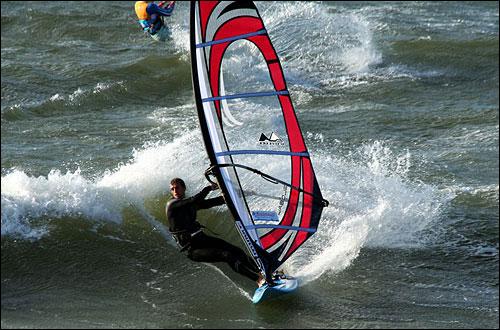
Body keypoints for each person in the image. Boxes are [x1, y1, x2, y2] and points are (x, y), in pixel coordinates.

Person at [166, 177, 266, 287]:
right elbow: (194, 199)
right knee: (226, 255)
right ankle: (258, 280)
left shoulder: (191, 205)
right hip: (192, 249)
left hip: (202, 239)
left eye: (177, 188)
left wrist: (239, 195)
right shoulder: (172, 205)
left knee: (236, 250)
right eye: (172, 189)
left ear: (184, 188)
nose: (175, 191)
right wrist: (209, 188)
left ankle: (264, 272)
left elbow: (215, 201)